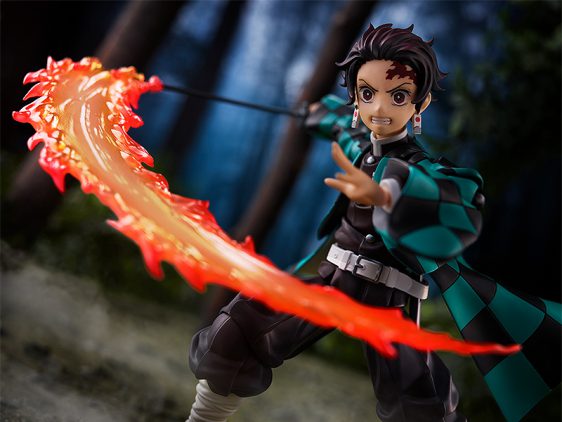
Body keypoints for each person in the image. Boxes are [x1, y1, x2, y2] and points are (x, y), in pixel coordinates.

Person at [186, 23, 560, 422]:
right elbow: (337, 124)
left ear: (420, 104)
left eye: (398, 96)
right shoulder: (362, 148)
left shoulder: (428, 171)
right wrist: (312, 114)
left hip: (390, 304)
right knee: (238, 329)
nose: (379, 109)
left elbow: (456, 202)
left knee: (420, 405)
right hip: (334, 284)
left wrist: (386, 196)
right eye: (367, 94)